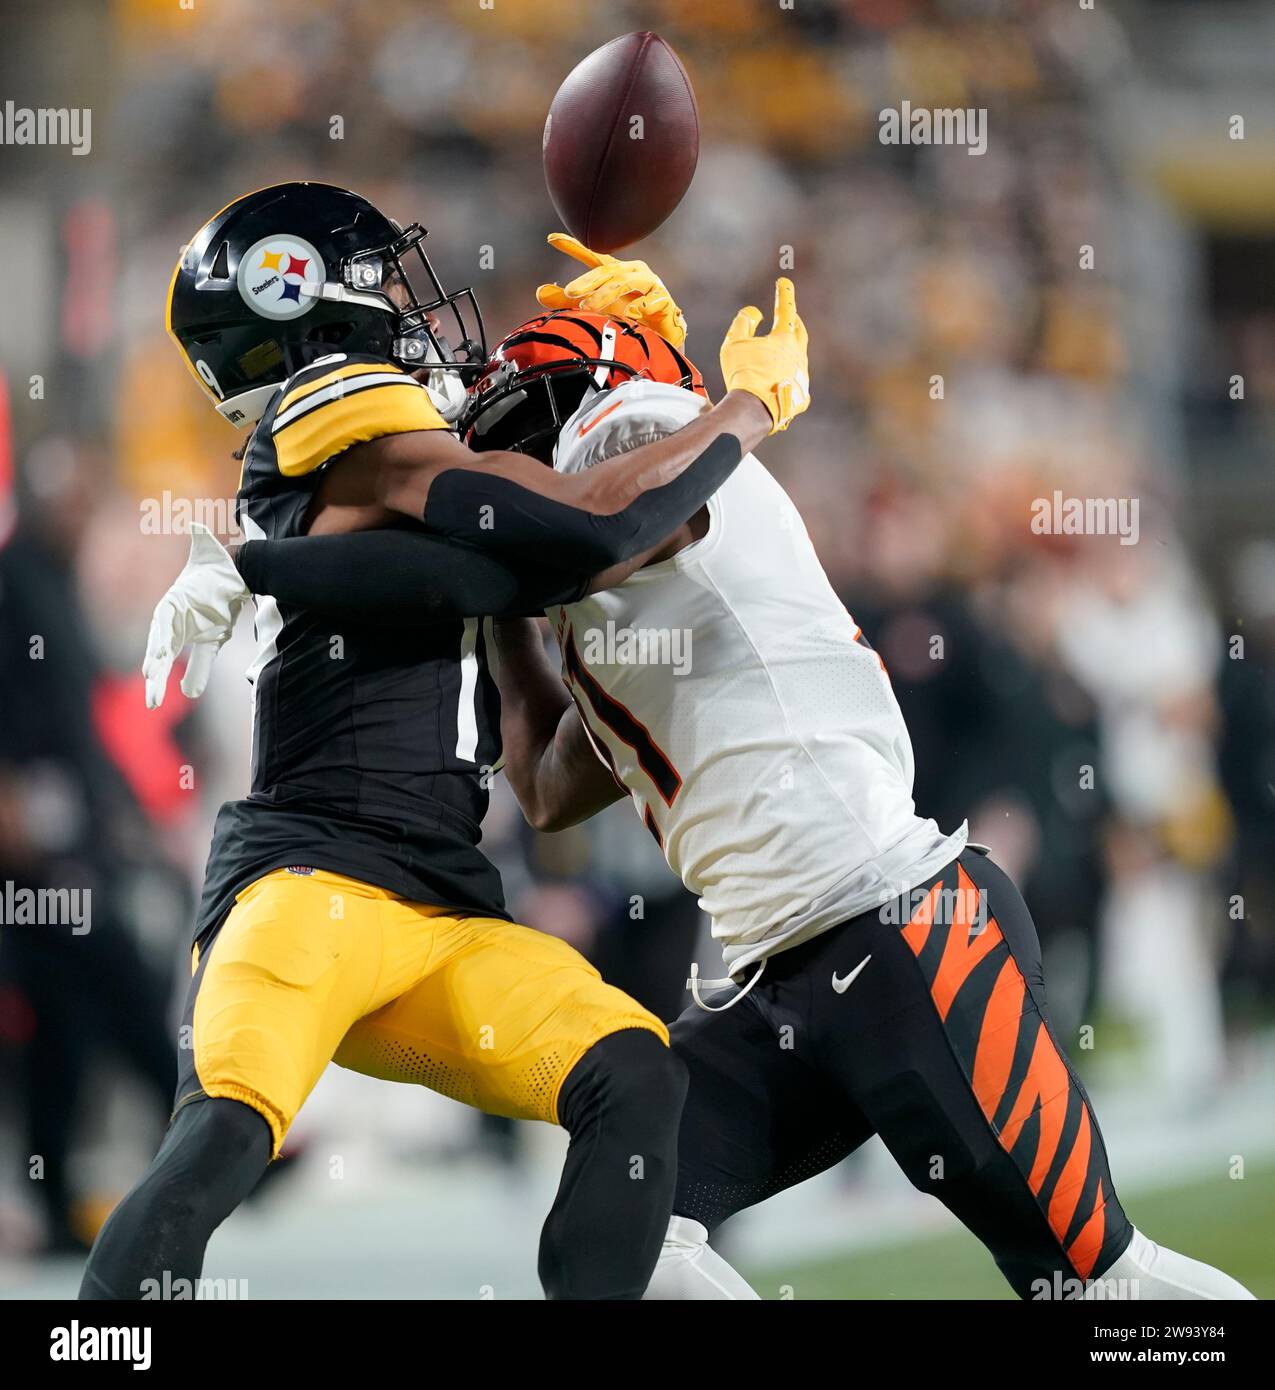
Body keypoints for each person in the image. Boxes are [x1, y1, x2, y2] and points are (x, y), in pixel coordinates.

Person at [220, 313, 1253, 1301]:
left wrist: (307, 559)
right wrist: (490, 616)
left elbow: (586, 526)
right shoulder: (596, 583)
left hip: (906, 933)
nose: (488, 440)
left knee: (1099, 1282)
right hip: (781, 983)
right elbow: (543, 785)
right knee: (616, 1241)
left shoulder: (641, 426)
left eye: (513, 405)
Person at [79, 181, 811, 1301]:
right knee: (220, 1139)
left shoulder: (423, 490)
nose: (412, 308)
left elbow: (544, 773)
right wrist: (741, 413)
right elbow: (580, 526)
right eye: (383, 280)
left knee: (635, 1075)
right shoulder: (339, 396)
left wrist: (653, 397)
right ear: (312, 306)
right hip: (306, 881)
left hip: (440, 910)